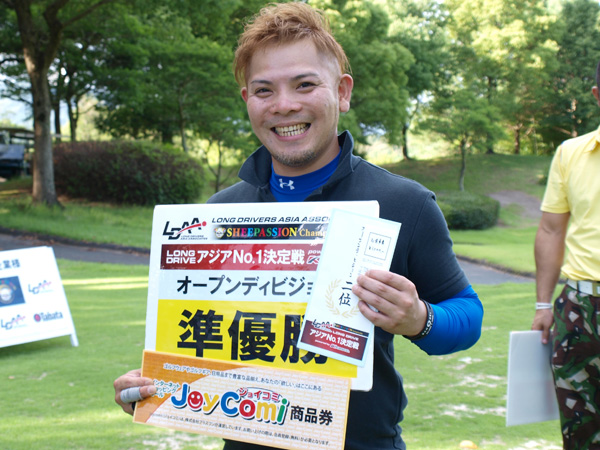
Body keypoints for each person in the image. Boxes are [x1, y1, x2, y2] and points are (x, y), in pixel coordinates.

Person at [114, 3, 484, 449]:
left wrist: (419, 319)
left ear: (342, 92)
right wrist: (154, 387)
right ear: (247, 100)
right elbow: (207, 346)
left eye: (305, 85)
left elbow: (468, 316)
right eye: (264, 90)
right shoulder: (217, 214)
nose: (284, 105)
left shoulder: (403, 203)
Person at [531, 62, 600, 450]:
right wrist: (543, 304)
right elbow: (551, 230)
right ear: (597, 97)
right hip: (579, 309)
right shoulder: (571, 153)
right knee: (580, 432)